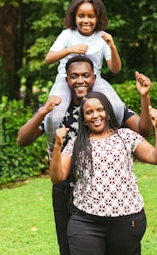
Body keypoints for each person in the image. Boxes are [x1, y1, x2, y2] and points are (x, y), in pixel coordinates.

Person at [17, 55, 153, 255]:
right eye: (74, 76)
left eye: (85, 75)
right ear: (66, 79)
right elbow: (22, 140)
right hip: (66, 190)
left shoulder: (106, 106)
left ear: (94, 77)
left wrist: (144, 98)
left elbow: (143, 131)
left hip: (109, 192)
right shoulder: (57, 110)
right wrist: (43, 110)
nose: (80, 80)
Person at [50, 91, 157, 255]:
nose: (95, 115)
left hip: (126, 222)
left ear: (108, 112)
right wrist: (57, 146)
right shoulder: (76, 143)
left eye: (100, 110)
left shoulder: (126, 136)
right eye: (89, 112)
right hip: (86, 222)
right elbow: (57, 177)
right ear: (84, 117)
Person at [44, 0, 124, 151]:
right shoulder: (67, 34)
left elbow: (115, 69)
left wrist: (112, 46)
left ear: (98, 18)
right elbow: (49, 58)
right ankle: (51, 149)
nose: (86, 20)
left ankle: (113, 144)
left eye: (91, 16)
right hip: (66, 79)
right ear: (74, 17)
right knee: (53, 117)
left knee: (118, 109)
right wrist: (70, 50)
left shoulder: (102, 37)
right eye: (81, 16)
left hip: (94, 79)